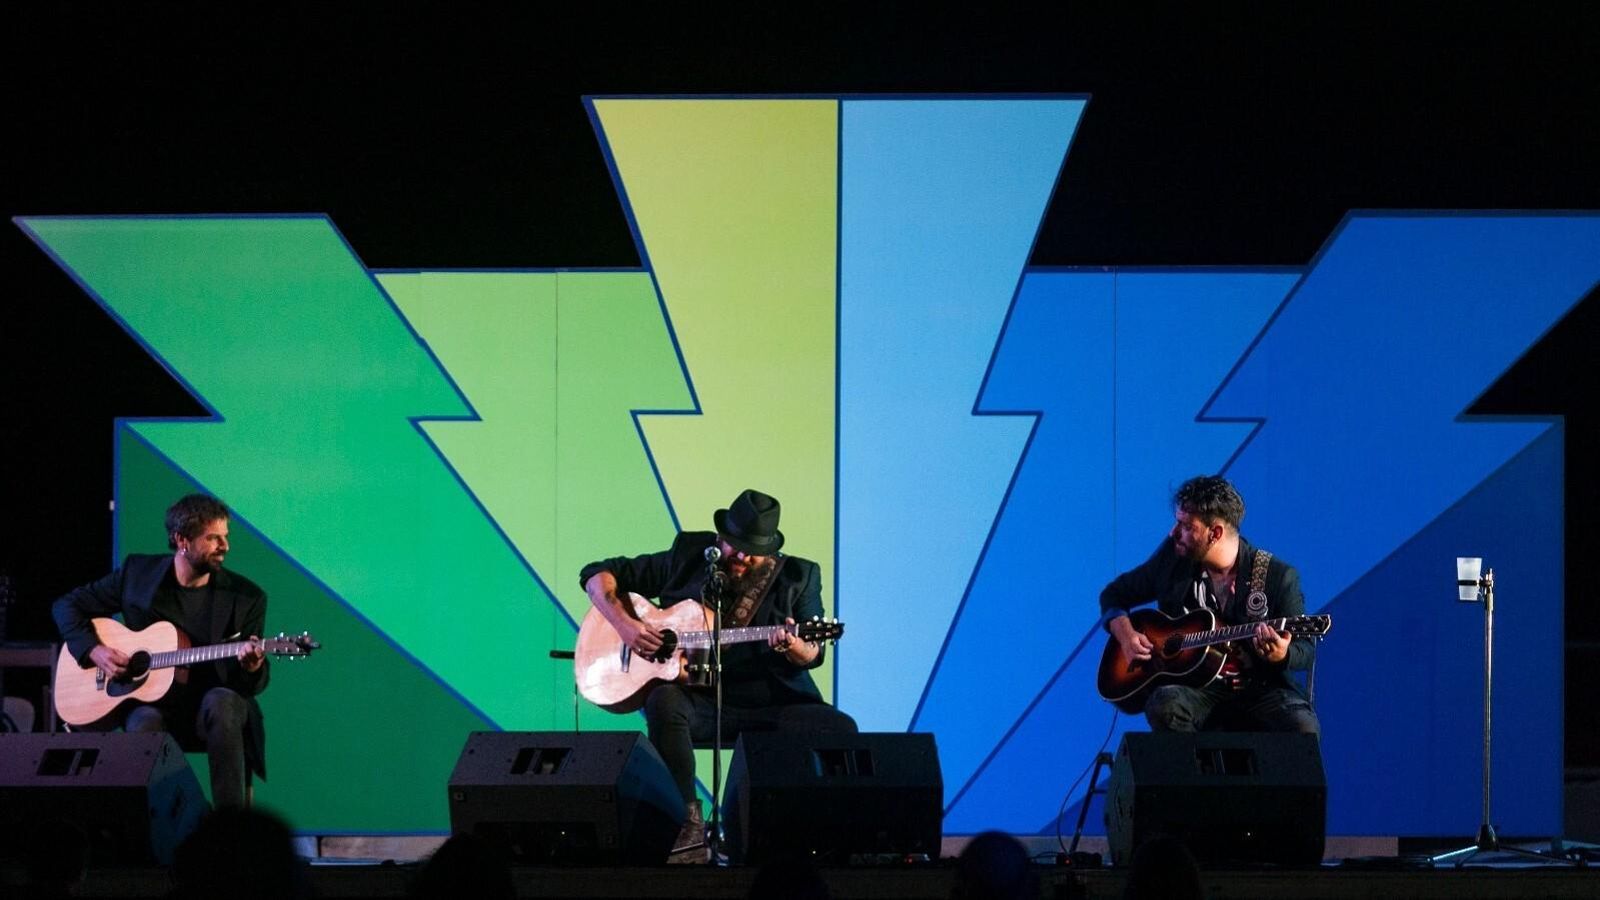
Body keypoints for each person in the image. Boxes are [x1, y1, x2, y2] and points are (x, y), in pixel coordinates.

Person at [580, 489, 857, 856]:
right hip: (702, 704)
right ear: (720, 537)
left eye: (752, 551)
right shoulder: (687, 555)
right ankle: (685, 826)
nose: (741, 557)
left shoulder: (799, 576)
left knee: (839, 729)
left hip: (772, 704)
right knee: (664, 700)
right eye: (735, 546)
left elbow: (813, 653)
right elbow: (595, 574)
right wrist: (626, 626)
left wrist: (794, 646)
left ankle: (807, 840)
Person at [53, 494, 269, 808]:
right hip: (151, 704)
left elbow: (250, 686)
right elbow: (66, 606)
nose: (225, 546)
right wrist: (93, 650)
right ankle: (157, 825)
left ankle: (228, 825)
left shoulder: (246, 597)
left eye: (225, 536)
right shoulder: (137, 575)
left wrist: (252, 667)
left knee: (222, 703)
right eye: (213, 538)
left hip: (209, 709)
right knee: (143, 722)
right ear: (182, 540)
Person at [1099, 476, 1319, 735]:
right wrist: (1126, 636)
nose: (1173, 533)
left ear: (1214, 533)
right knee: (1164, 705)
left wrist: (1282, 654)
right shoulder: (1174, 558)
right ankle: (1192, 763)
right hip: (1198, 690)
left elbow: (1305, 649)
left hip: (1260, 688)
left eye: (1185, 526)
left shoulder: (1276, 576)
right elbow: (1114, 595)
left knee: (1303, 728)